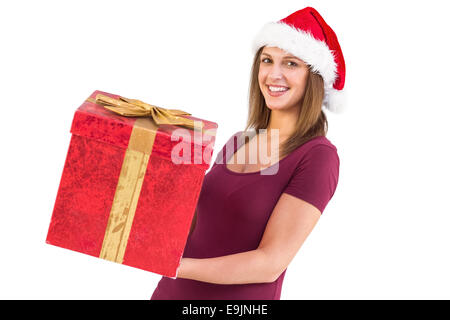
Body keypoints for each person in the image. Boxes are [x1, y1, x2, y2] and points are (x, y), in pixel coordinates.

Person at [150, 6, 346, 300]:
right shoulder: (238, 141)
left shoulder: (317, 157)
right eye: (267, 60)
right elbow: (194, 225)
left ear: (314, 78)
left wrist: (177, 265)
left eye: (291, 63)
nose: (273, 74)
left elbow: (269, 263)